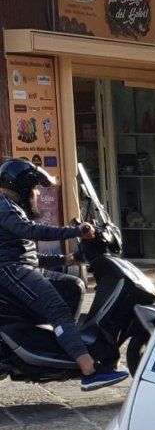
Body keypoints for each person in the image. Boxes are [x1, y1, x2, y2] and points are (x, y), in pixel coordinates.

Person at [0, 159, 128, 391]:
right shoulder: (4, 205)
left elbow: (25, 253)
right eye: (35, 188)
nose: (38, 193)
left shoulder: (11, 206)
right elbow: (30, 232)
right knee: (55, 307)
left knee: (74, 286)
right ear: (23, 185)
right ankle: (89, 370)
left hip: (21, 268)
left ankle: (61, 347)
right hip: (12, 272)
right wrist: (74, 231)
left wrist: (68, 260)